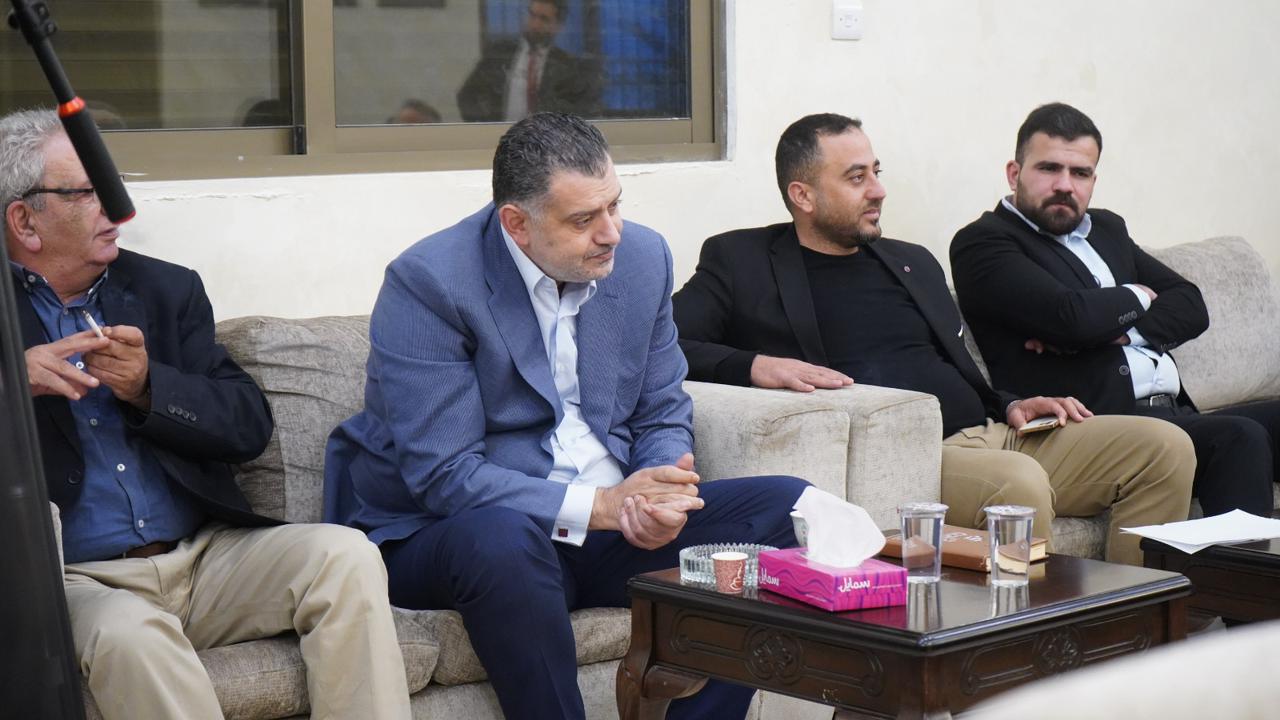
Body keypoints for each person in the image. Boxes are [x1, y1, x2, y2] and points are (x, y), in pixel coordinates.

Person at [324, 112, 805, 720]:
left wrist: (657, 490)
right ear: (517, 224)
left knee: (790, 510)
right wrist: (603, 506)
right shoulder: (430, 283)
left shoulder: (643, 258)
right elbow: (445, 476)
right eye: (583, 220)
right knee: (502, 540)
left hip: (606, 531)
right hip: (454, 532)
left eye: (614, 205)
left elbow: (661, 408)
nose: (611, 233)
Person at [2, 109, 410, 720]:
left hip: (203, 557)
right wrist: (13, 383)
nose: (117, 209)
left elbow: (247, 426)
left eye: (113, 186)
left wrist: (149, 388)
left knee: (343, 556)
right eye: (88, 193)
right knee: (129, 635)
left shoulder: (165, 290)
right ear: (24, 220)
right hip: (74, 579)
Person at [672, 112, 1196, 566]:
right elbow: (662, 343)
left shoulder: (911, 260)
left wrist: (1010, 403)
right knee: (1016, 482)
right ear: (802, 195)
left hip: (992, 430)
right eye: (856, 177)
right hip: (912, 453)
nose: (878, 190)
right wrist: (754, 365)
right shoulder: (741, 262)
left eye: (876, 172)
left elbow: (954, 365)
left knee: (1163, 448)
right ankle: (1030, 642)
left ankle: (1133, 631)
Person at [950, 102, 1277, 519]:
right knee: (1239, 437)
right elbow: (1071, 318)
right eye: (1049, 169)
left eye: (1080, 173)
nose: (1065, 185)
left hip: (1176, 413)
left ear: (1093, 179)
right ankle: (1234, 566)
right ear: (1015, 173)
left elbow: (1191, 303)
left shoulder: (1107, 229)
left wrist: (1120, 331)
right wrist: (1136, 295)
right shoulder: (984, 243)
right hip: (1097, 426)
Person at [457, 0, 601, 122]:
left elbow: (581, 112)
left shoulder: (566, 66)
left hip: (544, 142)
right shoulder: (500, 54)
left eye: (544, 19)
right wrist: (485, 129)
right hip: (501, 138)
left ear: (557, 26)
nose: (534, 24)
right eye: (532, 15)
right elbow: (467, 96)